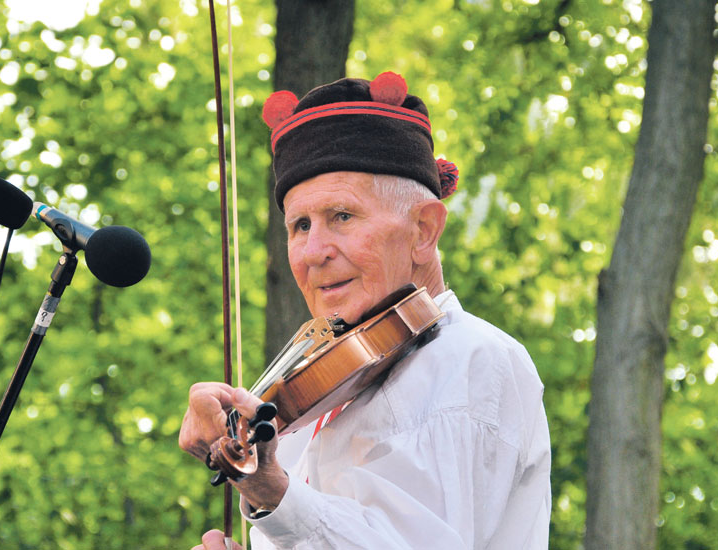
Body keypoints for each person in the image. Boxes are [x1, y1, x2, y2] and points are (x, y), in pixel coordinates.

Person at [179, 72, 551, 550]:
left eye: (342, 216)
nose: (314, 251)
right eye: (299, 225)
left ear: (423, 230)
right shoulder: (313, 397)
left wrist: (273, 491)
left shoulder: (469, 359)